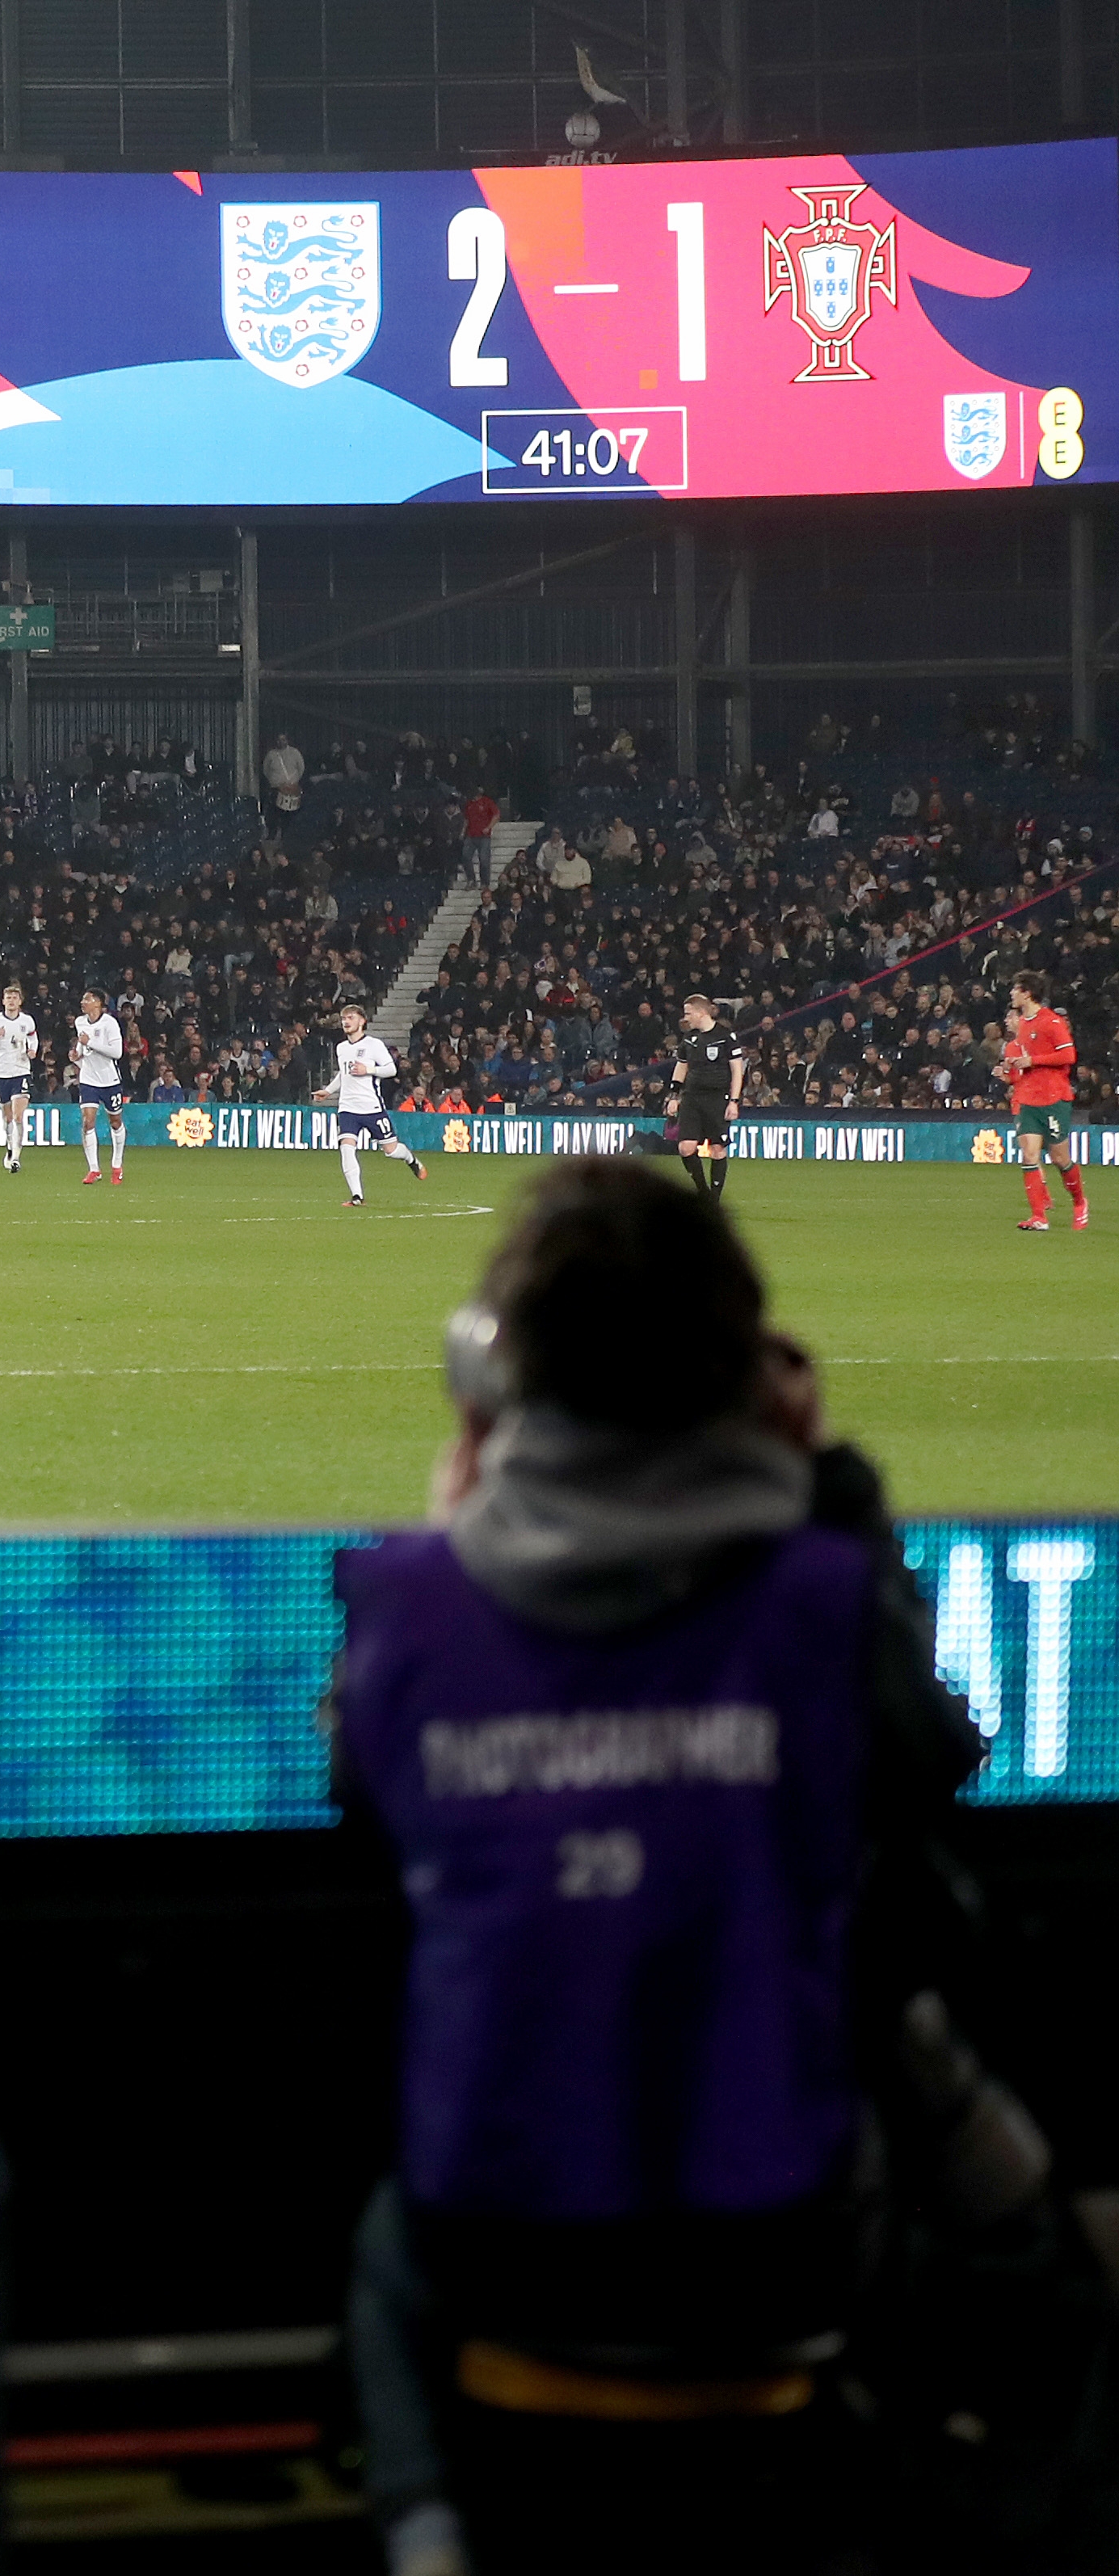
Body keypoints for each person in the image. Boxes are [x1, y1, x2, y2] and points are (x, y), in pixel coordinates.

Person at [328, 1159, 1098, 2574]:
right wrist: (830, 1487)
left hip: (509, 2238)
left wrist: (455, 1509)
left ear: (513, 1388)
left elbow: (374, 1831)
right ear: (744, 1372)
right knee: (962, 2146)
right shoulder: (819, 1602)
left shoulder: (404, 1609)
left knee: (387, 2230)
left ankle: (427, 2531)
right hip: (776, 2239)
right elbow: (928, 1766)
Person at [1003, 971, 1086, 1234]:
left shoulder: (1051, 1021)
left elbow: (1069, 1055)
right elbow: (1028, 1058)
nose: (1011, 994)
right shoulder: (1024, 1024)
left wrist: (1033, 1061)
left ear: (1027, 993)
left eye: (1015, 989)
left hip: (1053, 1098)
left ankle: (1080, 1202)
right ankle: (1039, 1216)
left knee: (1060, 1158)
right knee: (1029, 1154)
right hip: (1028, 1097)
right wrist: (1015, 1065)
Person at [324, 1005, 429, 1207]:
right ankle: (357, 1196)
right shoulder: (342, 1048)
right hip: (347, 1108)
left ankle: (411, 1160)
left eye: (351, 1018)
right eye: (344, 1018)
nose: (346, 1022)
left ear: (362, 1021)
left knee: (391, 1150)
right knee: (346, 1148)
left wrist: (367, 1069)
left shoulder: (374, 1045)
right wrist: (328, 1091)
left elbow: (391, 1069)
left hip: (371, 1108)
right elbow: (343, 1074)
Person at [665, 995, 744, 1202]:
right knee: (685, 1147)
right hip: (692, 1098)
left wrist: (734, 1101)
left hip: (718, 1098)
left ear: (701, 1013)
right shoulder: (689, 1039)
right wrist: (674, 1096)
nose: (686, 1017)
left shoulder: (726, 1036)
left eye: (689, 1013)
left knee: (718, 1149)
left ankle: (714, 1200)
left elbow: (737, 1071)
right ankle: (703, 1192)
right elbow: (681, 1066)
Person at [0, 983, 39, 1175]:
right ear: (3, 1001)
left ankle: (16, 1158)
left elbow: (33, 1037)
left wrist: (33, 1050)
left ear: (20, 1001)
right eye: (8, 998)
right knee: (8, 1117)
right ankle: (10, 1148)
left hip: (21, 1071)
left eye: (15, 998)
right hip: (2, 1073)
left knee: (19, 1116)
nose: (11, 1001)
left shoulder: (27, 1021)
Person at [69, 987, 127, 1185]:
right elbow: (83, 1047)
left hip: (110, 1080)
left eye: (87, 999)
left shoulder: (110, 1023)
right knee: (88, 1122)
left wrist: (91, 1042)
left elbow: (117, 1052)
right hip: (88, 1079)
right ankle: (94, 1169)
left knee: (115, 1122)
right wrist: (77, 1055)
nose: (83, 1002)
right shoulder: (80, 1022)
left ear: (98, 1003)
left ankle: (117, 1165)